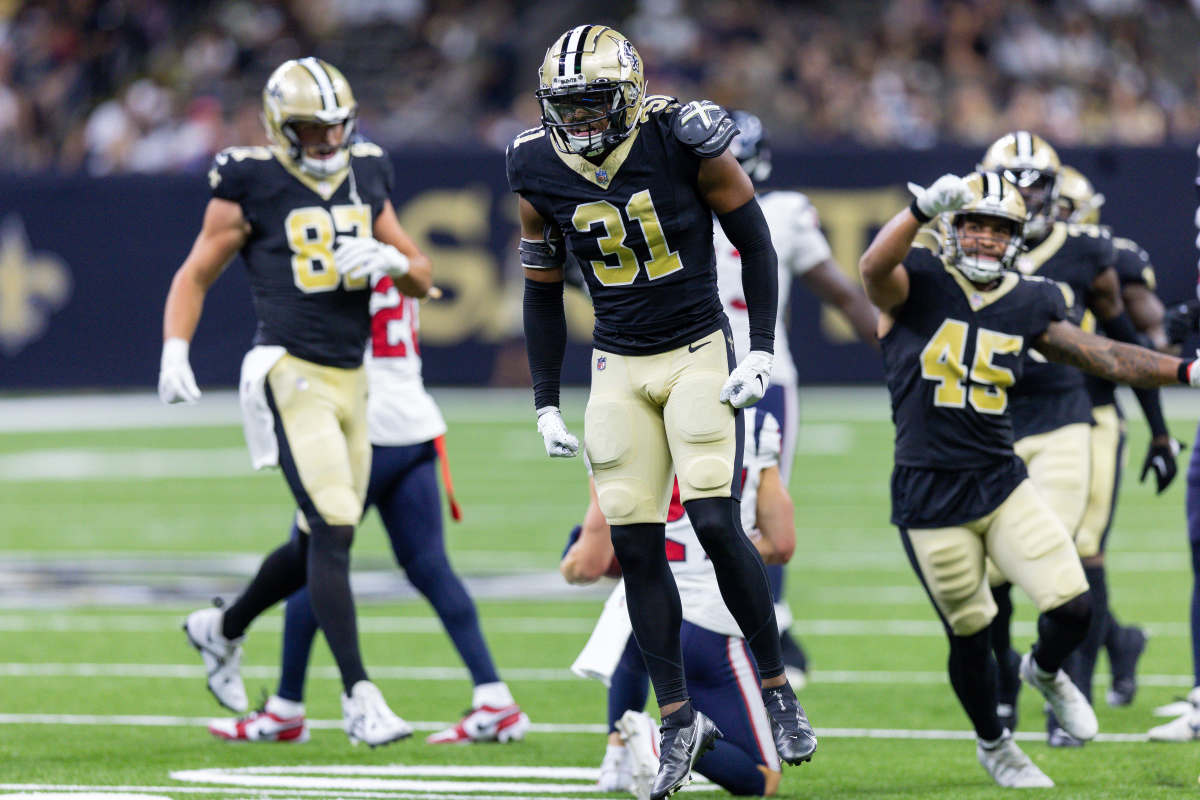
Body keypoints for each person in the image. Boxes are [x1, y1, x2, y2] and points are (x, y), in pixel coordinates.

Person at [507, 25, 815, 799]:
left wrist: (761, 347)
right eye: (566, 108)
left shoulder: (684, 136)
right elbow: (543, 290)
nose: (578, 122)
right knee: (637, 549)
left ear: (631, 93)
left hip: (695, 350)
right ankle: (675, 716)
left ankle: (777, 687)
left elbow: (756, 243)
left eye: (593, 104)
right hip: (615, 361)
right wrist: (546, 402)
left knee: (715, 522)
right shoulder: (533, 163)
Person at [858, 170, 1200, 787]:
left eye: (1000, 228)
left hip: (1000, 479)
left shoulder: (1031, 298)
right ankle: (996, 744)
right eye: (974, 225)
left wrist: (1186, 372)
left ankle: (1043, 671)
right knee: (971, 631)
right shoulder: (921, 282)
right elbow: (872, 270)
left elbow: (1106, 356)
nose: (986, 239)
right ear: (952, 229)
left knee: (1072, 606)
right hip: (930, 493)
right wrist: (914, 211)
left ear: (1018, 237)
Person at [158, 57, 428, 747]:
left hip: (352, 374)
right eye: (312, 127)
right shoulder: (249, 179)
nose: (328, 139)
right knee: (336, 523)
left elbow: (423, 275)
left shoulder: (369, 170)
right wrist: (175, 348)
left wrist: (397, 265)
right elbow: (196, 270)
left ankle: (220, 628)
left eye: (336, 125)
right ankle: (359, 697)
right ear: (282, 125)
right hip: (288, 369)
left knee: (316, 535)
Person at [206, 274, 528, 745]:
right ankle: (495, 698)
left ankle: (284, 708)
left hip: (365, 424)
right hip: (415, 424)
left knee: (316, 554)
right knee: (429, 567)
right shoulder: (399, 258)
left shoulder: (340, 254)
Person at [976, 132, 1176, 746]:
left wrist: (1160, 426)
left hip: (1082, 414)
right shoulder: (968, 248)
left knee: (1069, 556)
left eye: (1036, 183)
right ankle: (1091, 653)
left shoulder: (1091, 251)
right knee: (997, 571)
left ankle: (1065, 689)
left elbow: (1130, 341)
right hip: (992, 418)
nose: (1027, 196)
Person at [717, 109, 879, 687]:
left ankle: (773, 628)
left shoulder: (782, 212)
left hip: (760, 374)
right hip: (705, 372)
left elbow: (842, 293)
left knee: (762, 501)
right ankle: (724, 623)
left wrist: (895, 342)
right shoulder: (684, 209)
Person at [562, 407, 794, 800]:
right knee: (762, 779)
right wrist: (728, 554)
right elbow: (781, 544)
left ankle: (616, 757)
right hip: (709, 619)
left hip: (644, 611)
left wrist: (570, 560)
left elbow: (588, 564)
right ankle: (652, 740)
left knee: (632, 624)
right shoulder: (753, 424)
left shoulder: (615, 424)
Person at [1057, 165, 1164, 713]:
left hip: (1095, 415)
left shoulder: (1108, 258)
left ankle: (1077, 686)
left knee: (1082, 550)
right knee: (1039, 553)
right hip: (1034, 419)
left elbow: (1146, 333)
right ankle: (1121, 641)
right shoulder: (1015, 257)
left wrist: (1160, 428)